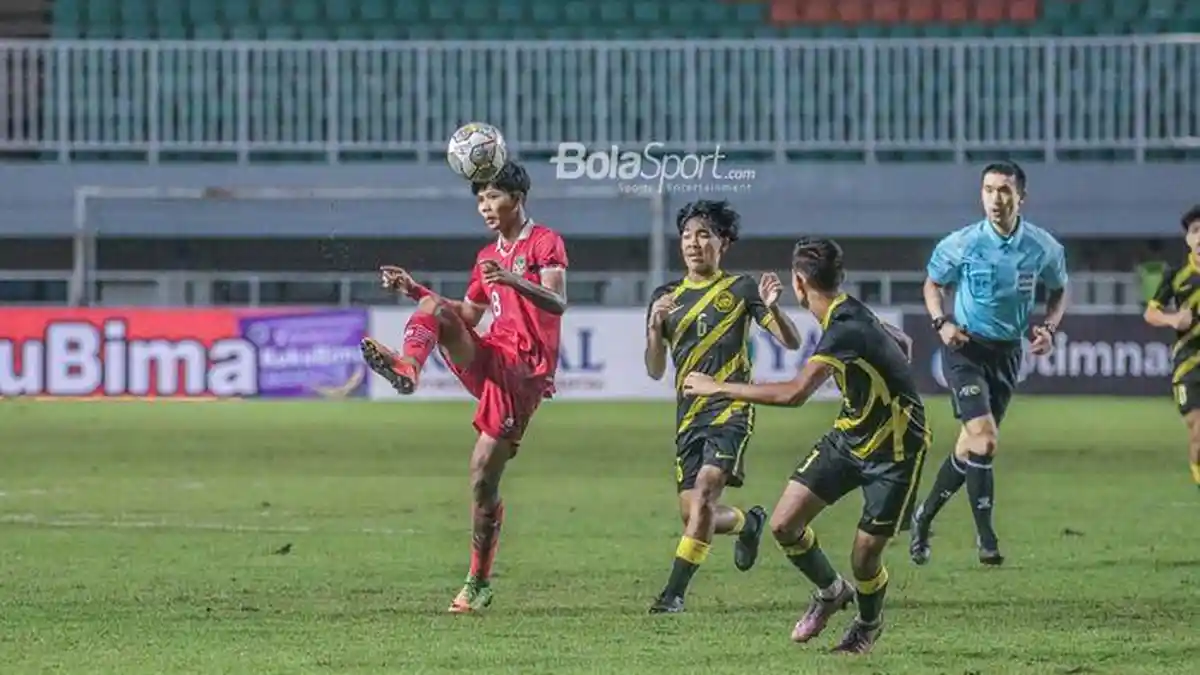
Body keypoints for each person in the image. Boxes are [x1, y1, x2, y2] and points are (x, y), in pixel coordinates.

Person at [683, 236, 925, 654]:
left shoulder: (845, 327)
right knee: (783, 524)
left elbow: (796, 393)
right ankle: (831, 592)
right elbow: (902, 340)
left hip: (895, 449)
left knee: (865, 557)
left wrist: (718, 387)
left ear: (799, 282)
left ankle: (867, 625)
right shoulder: (847, 313)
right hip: (850, 435)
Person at [359, 162, 568, 613]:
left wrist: (515, 280)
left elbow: (559, 300)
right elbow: (468, 317)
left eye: (493, 197)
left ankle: (478, 580)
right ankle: (408, 368)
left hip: (524, 370)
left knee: (481, 481)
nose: (485, 208)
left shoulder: (545, 242)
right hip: (492, 354)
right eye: (479, 200)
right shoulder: (485, 257)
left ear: (517, 196)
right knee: (435, 305)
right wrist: (414, 289)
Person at [643, 199, 803, 614]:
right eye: (687, 236)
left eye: (704, 235)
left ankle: (673, 594)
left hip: (730, 410)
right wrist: (653, 330)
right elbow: (655, 369)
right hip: (688, 418)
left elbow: (791, 342)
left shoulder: (741, 289)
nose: (693, 243)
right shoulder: (665, 297)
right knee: (695, 514)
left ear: (723, 243)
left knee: (707, 491)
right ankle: (749, 523)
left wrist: (774, 310)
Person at [909, 160, 1069, 567]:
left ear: (1021, 197)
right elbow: (932, 284)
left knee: (970, 447)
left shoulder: (1043, 247)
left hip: (1007, 353)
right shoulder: (962, 243)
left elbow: (1060, 289)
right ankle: (986, 538)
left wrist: (1049, 328)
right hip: (965, 347)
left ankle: (923, 517)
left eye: (1004, 190)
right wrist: (940, 321)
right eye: (988, 189)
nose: (995, 198)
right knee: (985, 439)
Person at [1143, 204, 1200, 491]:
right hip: (1189, 364)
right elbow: (1150, 313)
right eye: (1195, 231)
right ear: (1188, 239)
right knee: (1198, 432)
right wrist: (1173, 318)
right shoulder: (1176, 275)